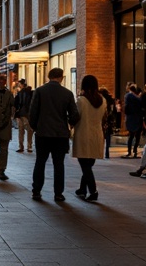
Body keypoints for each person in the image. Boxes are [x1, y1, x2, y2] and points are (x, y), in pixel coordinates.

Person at [28, 67, 79, 202]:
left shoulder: (39, 91)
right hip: (60, 134)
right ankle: (58, 193)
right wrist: (70, 124)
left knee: (40, 162)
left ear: (48, 77)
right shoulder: (67, 94)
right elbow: (74, 114)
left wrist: (36, 127)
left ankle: (36, 191)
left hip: (43, 133)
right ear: (61, 77)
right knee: (59, 164)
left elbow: (32, 113)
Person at [71, 74, 107, 201]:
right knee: (89, 165)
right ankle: (82, 189)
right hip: (97, 135)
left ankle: (93, 191)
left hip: (83, 134)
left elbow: (75, 117)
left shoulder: (81, 100)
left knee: (84, 165)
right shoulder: (103, 100)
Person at [122, 83, 142, 158]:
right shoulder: (137, 97)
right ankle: (135, 151)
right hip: (137, 117)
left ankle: (130, 151)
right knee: (137, 136)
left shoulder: (128, 96)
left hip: (131, 117)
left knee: (131, 136)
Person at [14, 78, 34, 153]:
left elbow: (15, 104)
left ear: (21, 85)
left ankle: (21, 146)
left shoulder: (20, 93)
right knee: (29, 130)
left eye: (19, 84)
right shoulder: (31, 93)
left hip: (21, 114)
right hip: (27, 114)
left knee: (21, 130)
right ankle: (29, 146)